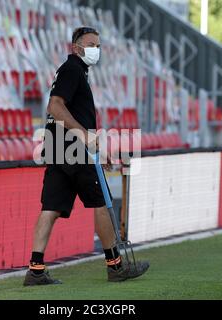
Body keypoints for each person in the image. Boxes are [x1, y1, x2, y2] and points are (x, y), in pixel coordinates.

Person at [23, 27, 149, 286]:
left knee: (51, 207)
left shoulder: (72, 71)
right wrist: (85, 136)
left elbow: (63, 110)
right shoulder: (72, 70)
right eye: (91, 44)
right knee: (100, 203)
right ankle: (115, 266)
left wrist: (95, 148)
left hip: (59, 148)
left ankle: (35, 270)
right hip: (73, 148)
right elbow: (55, 106)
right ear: (76, 47)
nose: (96, 49)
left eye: (98, 45)